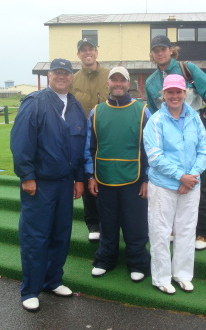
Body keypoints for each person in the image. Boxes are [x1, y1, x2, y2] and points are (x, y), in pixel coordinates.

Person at [10, 58, 87, 312]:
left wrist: (79, 178)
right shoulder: (35, 102)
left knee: (60, 234)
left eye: (66, 72)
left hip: (66, 184)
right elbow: (21, 142)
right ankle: (30, 289)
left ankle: (53, 280)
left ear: (72, 76)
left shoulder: (75, 106)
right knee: (35, 236)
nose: (62, 76)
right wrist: (27, 176)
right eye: (57, 72)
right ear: (49, 75)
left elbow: (79, 148)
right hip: (40, 184)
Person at [146, 35, 206, 251]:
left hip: (192, 132)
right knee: (170, 182)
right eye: (156, 50)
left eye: (163, 49)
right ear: (152, 54)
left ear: (171, 50)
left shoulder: (187, 68)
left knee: (197, 179)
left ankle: (203, 231)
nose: (160, 53)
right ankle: (174, 228)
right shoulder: (151, 82)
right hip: (168, 139)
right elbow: (155, 113)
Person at [144, 74, 206, 294]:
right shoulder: (155, 121)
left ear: (185, 93)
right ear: (163, 95)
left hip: (191, 184)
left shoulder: (194, 118)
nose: (174, 96)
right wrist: (181, 177)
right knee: (160, 231)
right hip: (163, 186)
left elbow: (204, 149)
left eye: (178, 92)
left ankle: (182, 275)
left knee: (186, 230)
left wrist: (191, 176)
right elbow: (154, 156)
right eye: (170, 92)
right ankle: (161, 278)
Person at [87, 66, 151, 282]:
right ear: (108, 84)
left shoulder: (142, 110)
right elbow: (90, 148)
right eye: (113, 80)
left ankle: (138, 262)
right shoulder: (96, 112)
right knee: (108, 222)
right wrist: (90, 176)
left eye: (121, 80)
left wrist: (147, 179)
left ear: (128, 83)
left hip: (134, 178)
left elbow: (149, 149)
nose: (118, 84)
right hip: (104, 178)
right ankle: (105, 259)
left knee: (135, 223)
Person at [70, 38, 110, 242]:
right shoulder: (73, 79)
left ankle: (110, 221)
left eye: (91, 49)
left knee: (108, 178)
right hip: (82, 137)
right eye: (83, 50)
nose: (87, 53)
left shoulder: (109, 75)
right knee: (87, 176)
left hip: (107, 136)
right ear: (78, 54)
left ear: (96, 52)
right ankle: (93, 222)